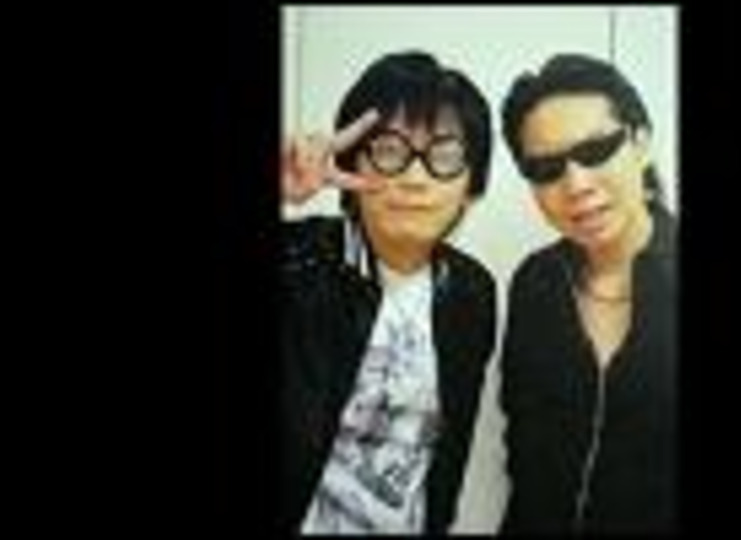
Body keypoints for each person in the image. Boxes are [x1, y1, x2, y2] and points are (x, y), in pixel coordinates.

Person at [279, 50, 496, 534]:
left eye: (444, 155)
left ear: (472, 185)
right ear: (351, 164)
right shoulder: (294, 262)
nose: (415, 178)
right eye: (390, 150)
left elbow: (448, 448)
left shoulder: (471, 291)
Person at [497, 53, 678, 534]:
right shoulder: (535, 282)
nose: (576, 184)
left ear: (641, 142)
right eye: (546, 167)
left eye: (597, 150)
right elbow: (521, 443)